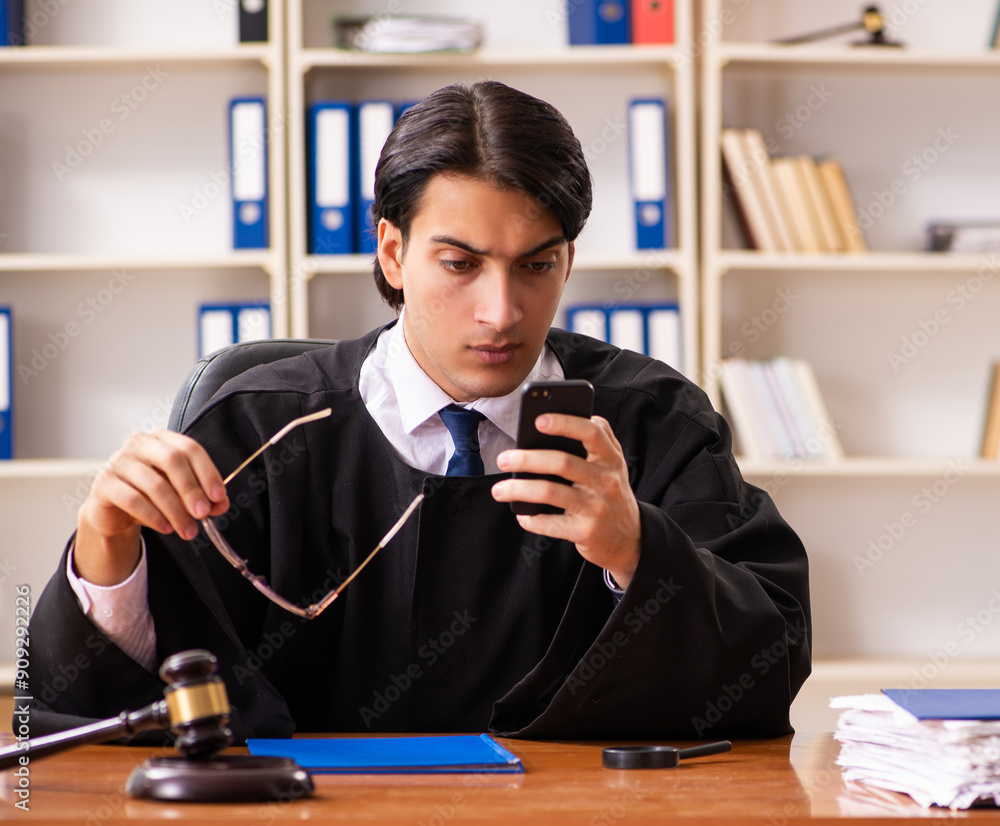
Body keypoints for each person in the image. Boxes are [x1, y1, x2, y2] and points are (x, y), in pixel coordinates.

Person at [27, 81, 810, 743]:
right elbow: (89, 711)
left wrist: (640, 552)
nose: (500, 311)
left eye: (535, 266)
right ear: (393, 254)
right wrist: (108, 547)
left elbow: (771, 667)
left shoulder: (654, 422)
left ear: (568, 260)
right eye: (460, 264)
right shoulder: (262, 428)